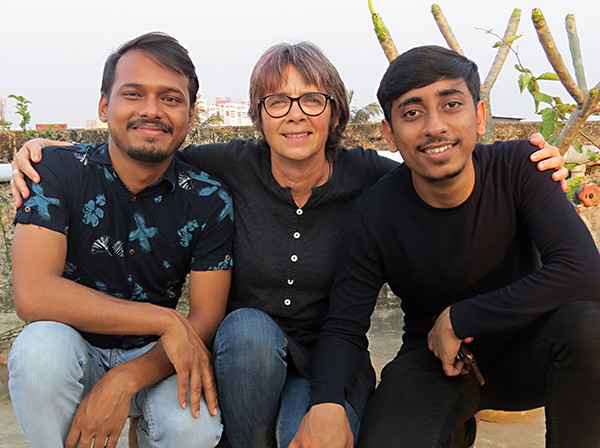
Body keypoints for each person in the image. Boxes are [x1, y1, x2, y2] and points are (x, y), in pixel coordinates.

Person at [11, 42, 566, 448]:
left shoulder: (372, 178)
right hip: (245, 359)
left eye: (312, 100)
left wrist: (535, 166)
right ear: (258, 115)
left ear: (335, 112)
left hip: (330, 357)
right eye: (277, 101)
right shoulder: (226, 167)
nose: (295, 115)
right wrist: (43, 151)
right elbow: (148, 148)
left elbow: (438, 162)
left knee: (317, 435)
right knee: (246, 328)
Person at [292, 45, 600, 448]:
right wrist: (326, 401)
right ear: (389, 133)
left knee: (589, 326)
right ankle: (454, 426)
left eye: (451, 104)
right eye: (412, 112)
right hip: (434, 361)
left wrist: (461, 318)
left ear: (480, 116)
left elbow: (585, 272)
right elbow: (344, 326)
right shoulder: (373, 215)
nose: (434, 126)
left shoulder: (520, 168)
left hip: (532, 353)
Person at [7, 32, 234, 448]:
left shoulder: (208, 199)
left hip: (155, 358)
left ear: (190, 116)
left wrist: (125, 379)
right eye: (133, 94)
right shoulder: (56, 170)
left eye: (170, 98)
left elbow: (205, 317)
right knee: (39, 353)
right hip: (72, 347)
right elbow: (34, 294)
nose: (151, 110)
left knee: (194, 426)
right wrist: (165, 320)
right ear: (103, 105)